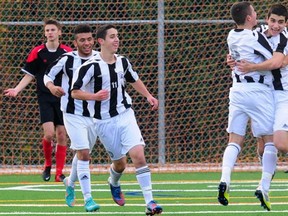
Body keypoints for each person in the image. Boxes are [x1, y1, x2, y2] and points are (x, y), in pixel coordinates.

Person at [71, 24, 163, 216]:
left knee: (138, 155)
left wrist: (148, 96)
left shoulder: (123, 62)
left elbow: (134, 79)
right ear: (101, 41)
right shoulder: (90, 67)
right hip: (104, 122)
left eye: (117, 36)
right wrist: (94, 97)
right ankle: (113, 181)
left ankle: (150, 203)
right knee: (120, 164)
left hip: (125, 115)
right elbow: (75, 92)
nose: (116, 40)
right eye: (112, 36)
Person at [217, 2, 286, 211]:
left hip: (244, 92)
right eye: (272, 20)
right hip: (260, 93)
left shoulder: (233, 34)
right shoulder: (258, 35)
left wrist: (242, 62)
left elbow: (277, 62)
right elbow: (272, 59)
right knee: (270, 142)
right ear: (255, 18)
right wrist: (236, 60)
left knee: (239, 141)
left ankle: (225, 179)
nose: (275, 25)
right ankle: (264, 186)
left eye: (280, 22)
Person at [4, 18, 72, 182]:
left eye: (53, 30)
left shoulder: (68, 52)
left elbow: (75, 74)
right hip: (45, 97)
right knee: (49, 134)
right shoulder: (37, 52)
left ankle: (59, 173)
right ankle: (48, 165)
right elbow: (30, 74)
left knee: (62, 135)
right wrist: (17, 89)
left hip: (62, 98)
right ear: (45, 33)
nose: (50, 33)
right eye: (47, 30)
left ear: (59, 32)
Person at [44, 24, 100, 212]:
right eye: (82, 40)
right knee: (84, 153)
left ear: (93, 40)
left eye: (89, 39)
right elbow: (47, 75)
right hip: (71, 113)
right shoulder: (67, 59)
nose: (86, 43)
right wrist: (52, 87)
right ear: (75, 43)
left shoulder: (100, 58)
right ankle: (88, 199)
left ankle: (69, 181)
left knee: (82, 154)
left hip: (95, 115)